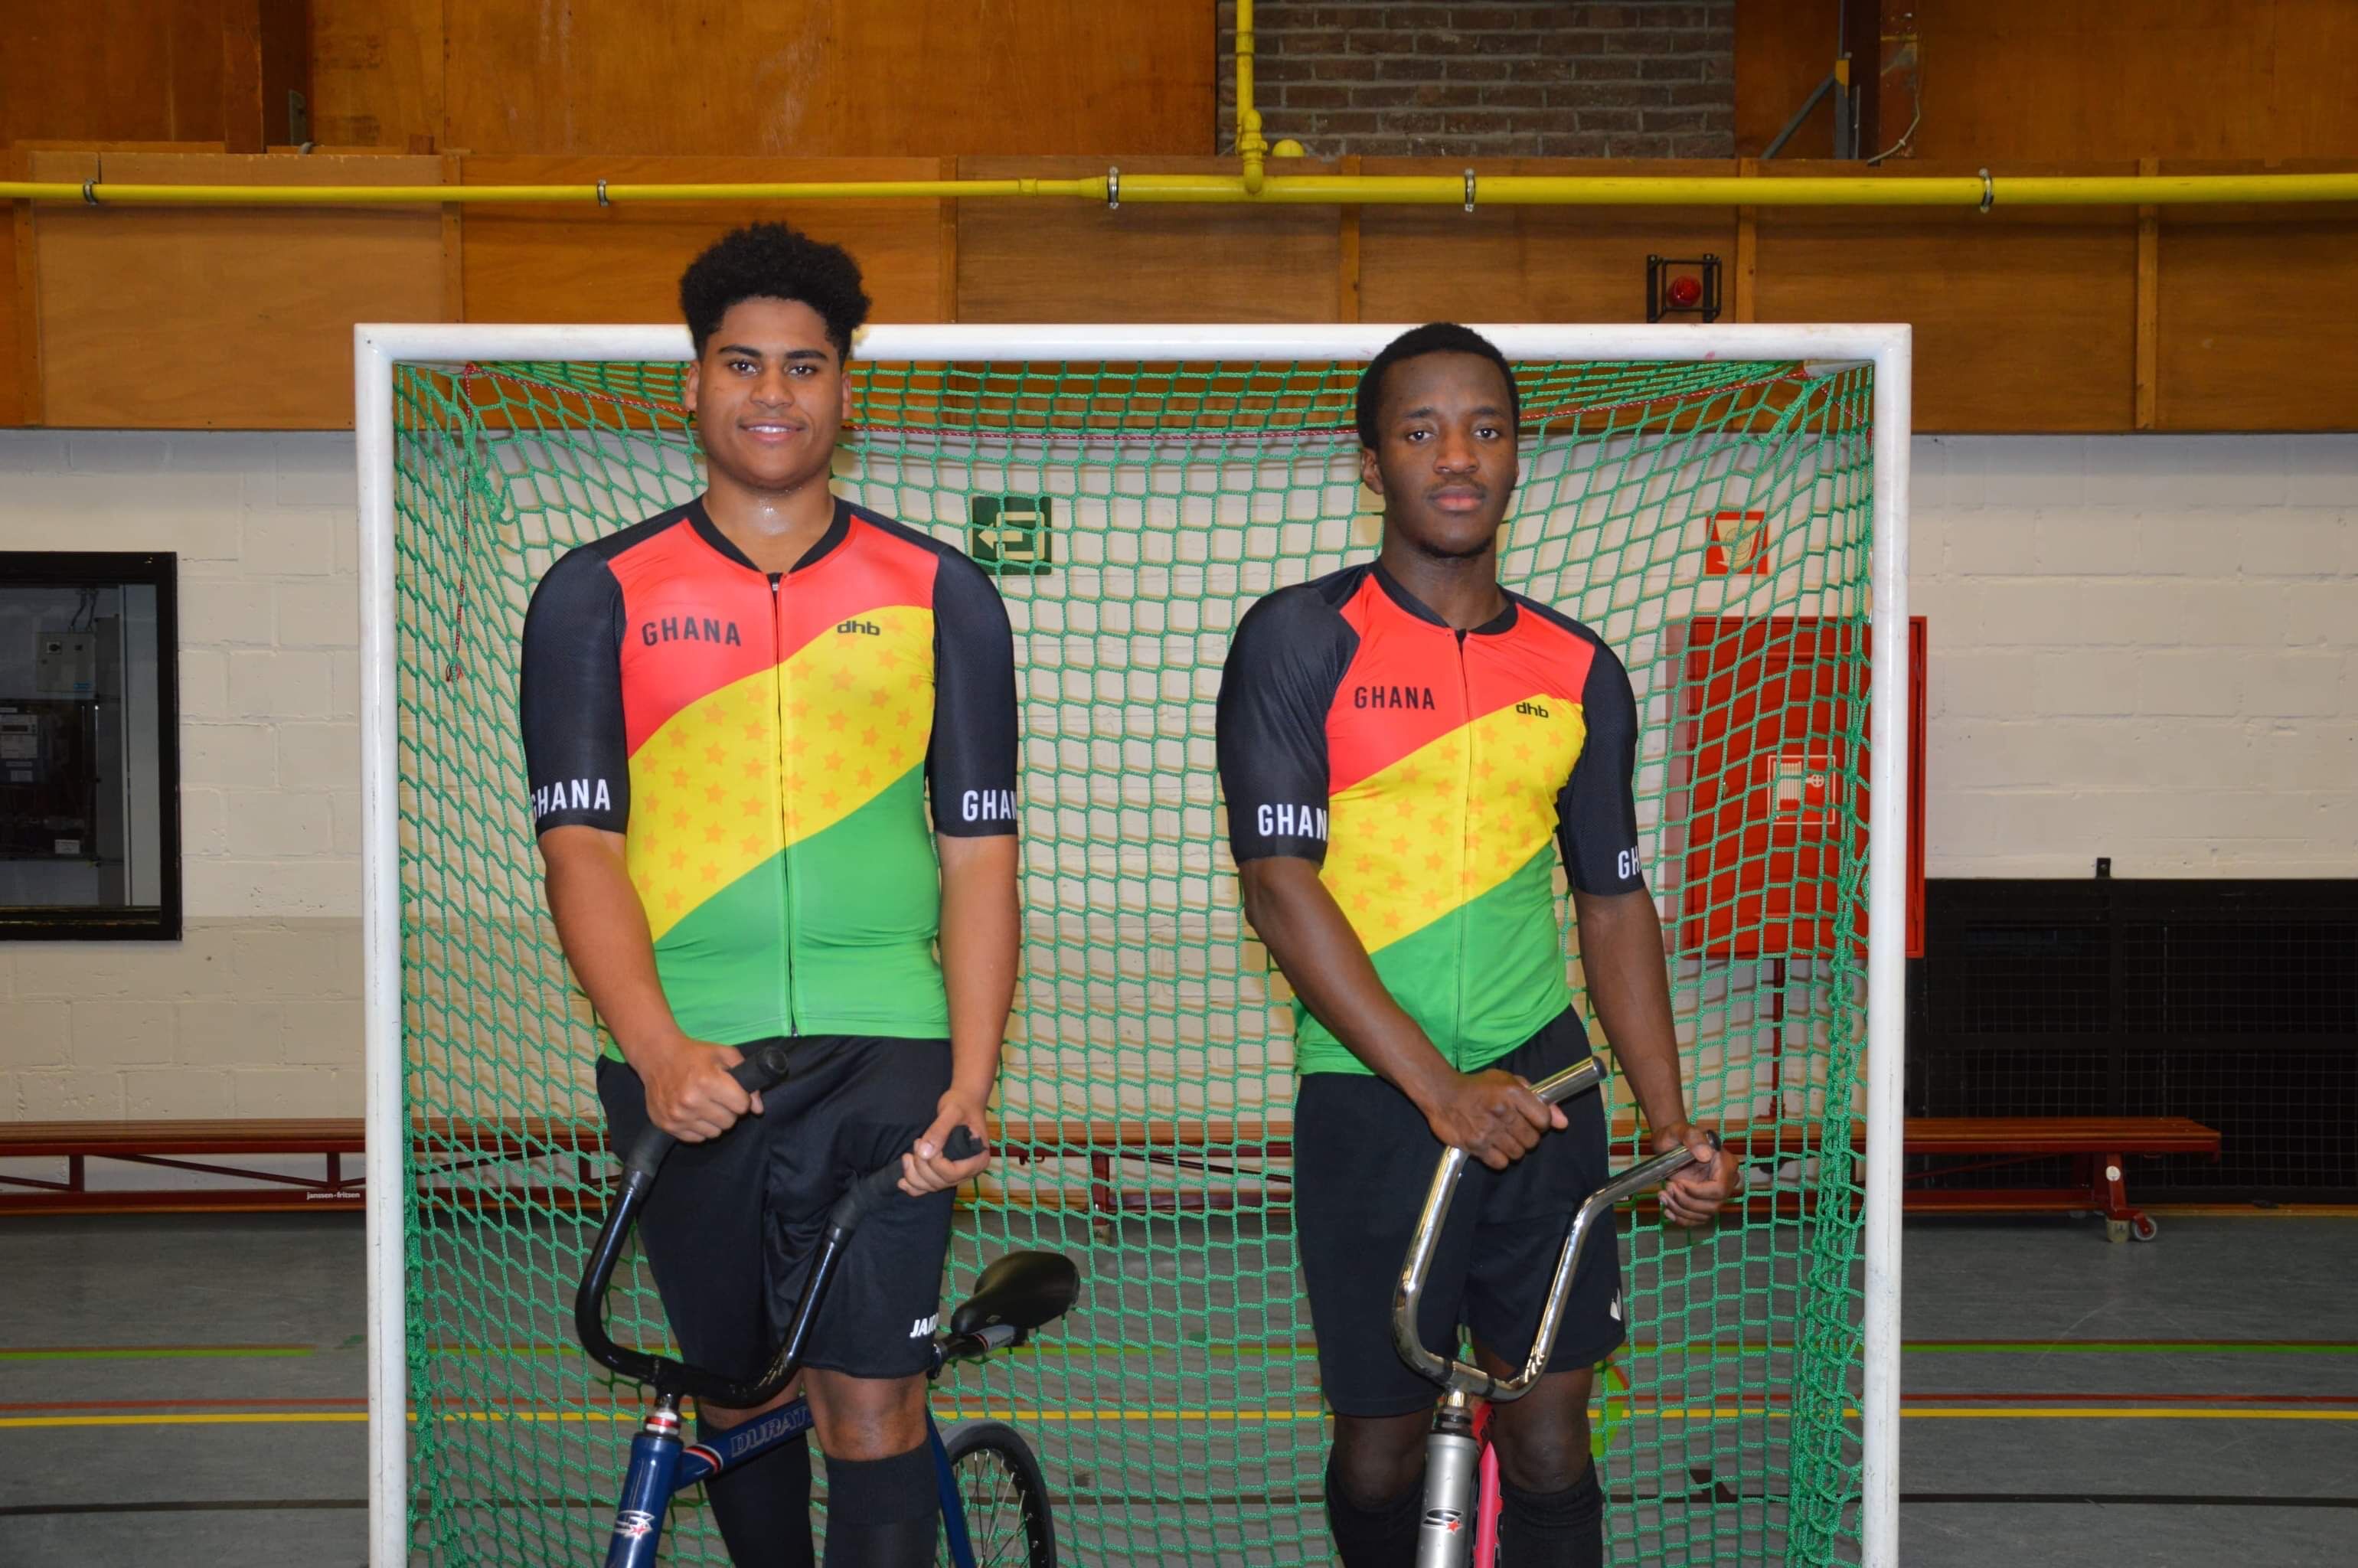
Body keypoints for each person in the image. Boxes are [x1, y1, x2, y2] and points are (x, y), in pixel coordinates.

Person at [518, 222, 1020, 1568]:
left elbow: (980, 854)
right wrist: (657, 1050)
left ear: (847, 390)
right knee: (737, 1393)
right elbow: (581, 851)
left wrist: (971, 1081)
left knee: (873, 1408)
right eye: (742, 363)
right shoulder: (594, 594)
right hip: (693, 1056)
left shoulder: (944, 592)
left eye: (805, 365)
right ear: (693, 384)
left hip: (890, 1052)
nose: (773, 393)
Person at [1215, 322, 1741, 1568]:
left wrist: (1671, 1127)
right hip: (1374, 1099)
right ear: (1373, 464)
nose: (1457, 456)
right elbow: (1279, 887)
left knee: (1552, 1438)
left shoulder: (1580, 668)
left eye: (1485, 430)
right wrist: (1439, 1089)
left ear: (1515, 457)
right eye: (1421, 431)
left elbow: (1613, 903)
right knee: (1381, 1451)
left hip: (1547, 1098)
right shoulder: (1299, 638)